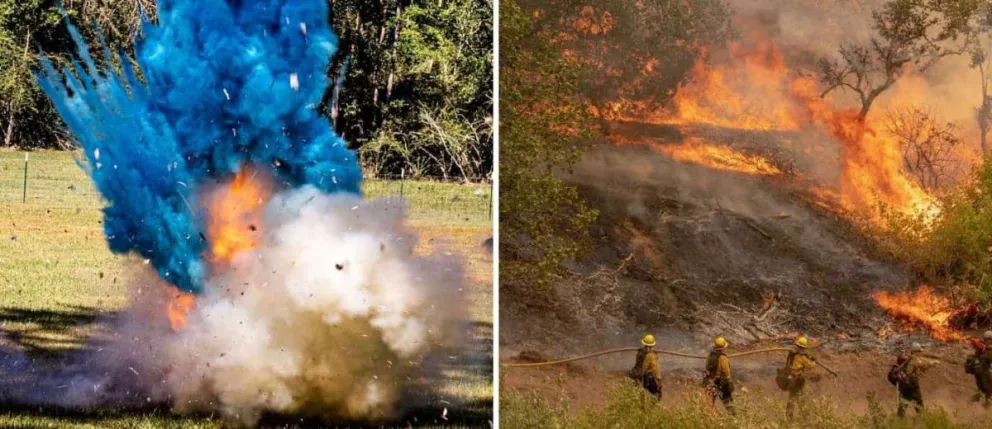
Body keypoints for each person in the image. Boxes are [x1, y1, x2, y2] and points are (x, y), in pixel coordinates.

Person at [888, 342, 936, 417]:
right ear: (915, 351)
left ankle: (898, 422)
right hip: (912, 385)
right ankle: (922, 421)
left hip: (904, 386)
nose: (920, 353)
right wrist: (933, 362)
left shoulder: (908, 359)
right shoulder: (914, 360)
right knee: (919, 404)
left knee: (903, 405)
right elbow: (923, 364)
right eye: (919, 351)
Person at [783, 336, 815, 420]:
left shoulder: (792, 354)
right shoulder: (802, 357)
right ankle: (804, 416)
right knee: (799, 397)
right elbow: (810, 366)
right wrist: (813, 361)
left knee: (792, 397)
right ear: (803, 348)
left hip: (790, 378)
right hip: (797, 380)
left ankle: (789, 415)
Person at [704, 337, 735, 415]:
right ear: (723, 347)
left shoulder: (709, 356)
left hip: (710, 382)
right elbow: (726, 372)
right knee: (728, 402)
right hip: (722, 384)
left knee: (710, 404)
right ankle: (733, 418)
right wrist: (730, 383)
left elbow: (707, 368)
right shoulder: (723, 358)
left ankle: (710, 420)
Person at [629, 333, 663, 400]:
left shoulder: (640, 353)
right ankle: (651, 408)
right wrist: (659, 381)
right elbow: (655, 370)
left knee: (637, 394)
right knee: (657, 395)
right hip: (646, 378)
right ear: (653, 345)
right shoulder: (652, 356)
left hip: (634, 375)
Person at [966, 335, 992, 407]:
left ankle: (982, 400)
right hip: (982, 370)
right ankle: (985, 402)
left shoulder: (986, 348)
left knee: (983, 386)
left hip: (981, 370)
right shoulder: (983, 346)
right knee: (985, 386)